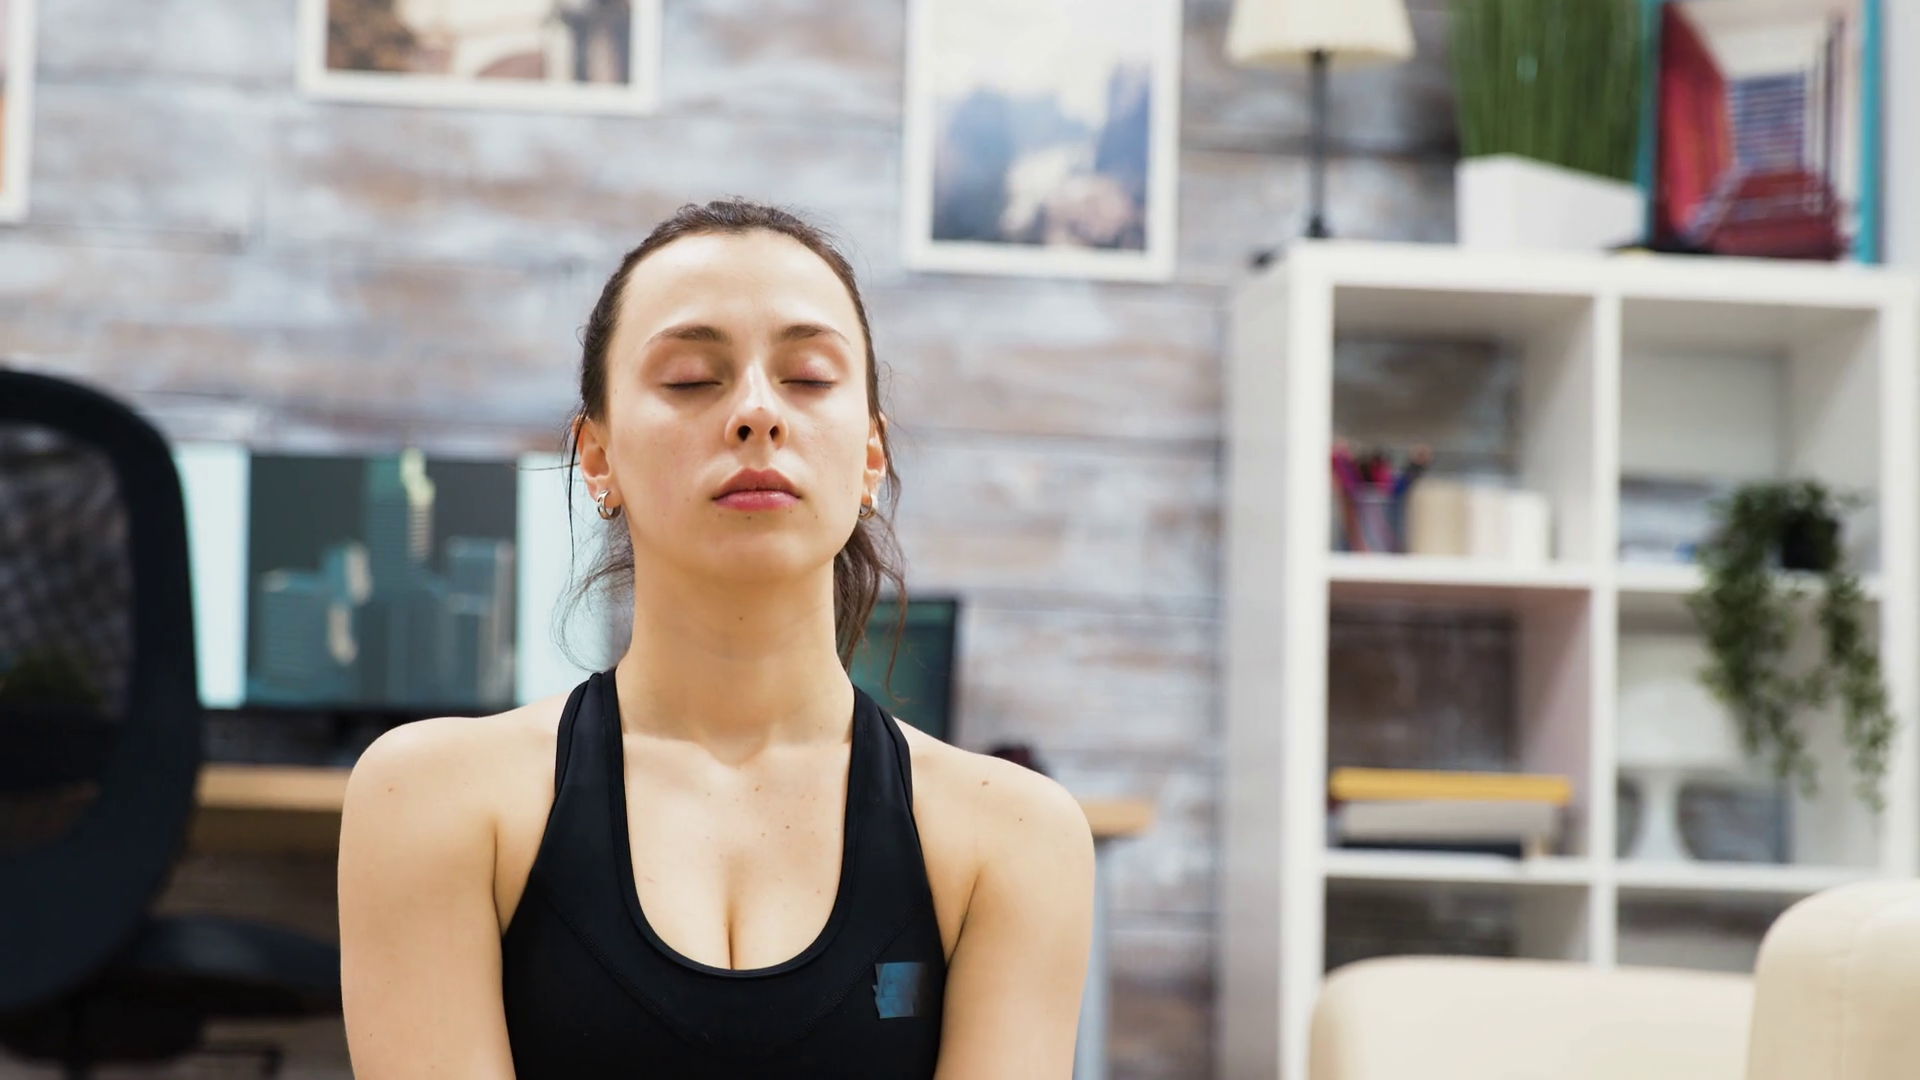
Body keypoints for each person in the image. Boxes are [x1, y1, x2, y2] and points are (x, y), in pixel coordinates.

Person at [337, 199, 1096, 1079]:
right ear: (597, 458)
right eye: (693, 379)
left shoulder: (1015, 838)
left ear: (871, 460)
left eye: (808, 377)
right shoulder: (431, 801)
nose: (757, 414)